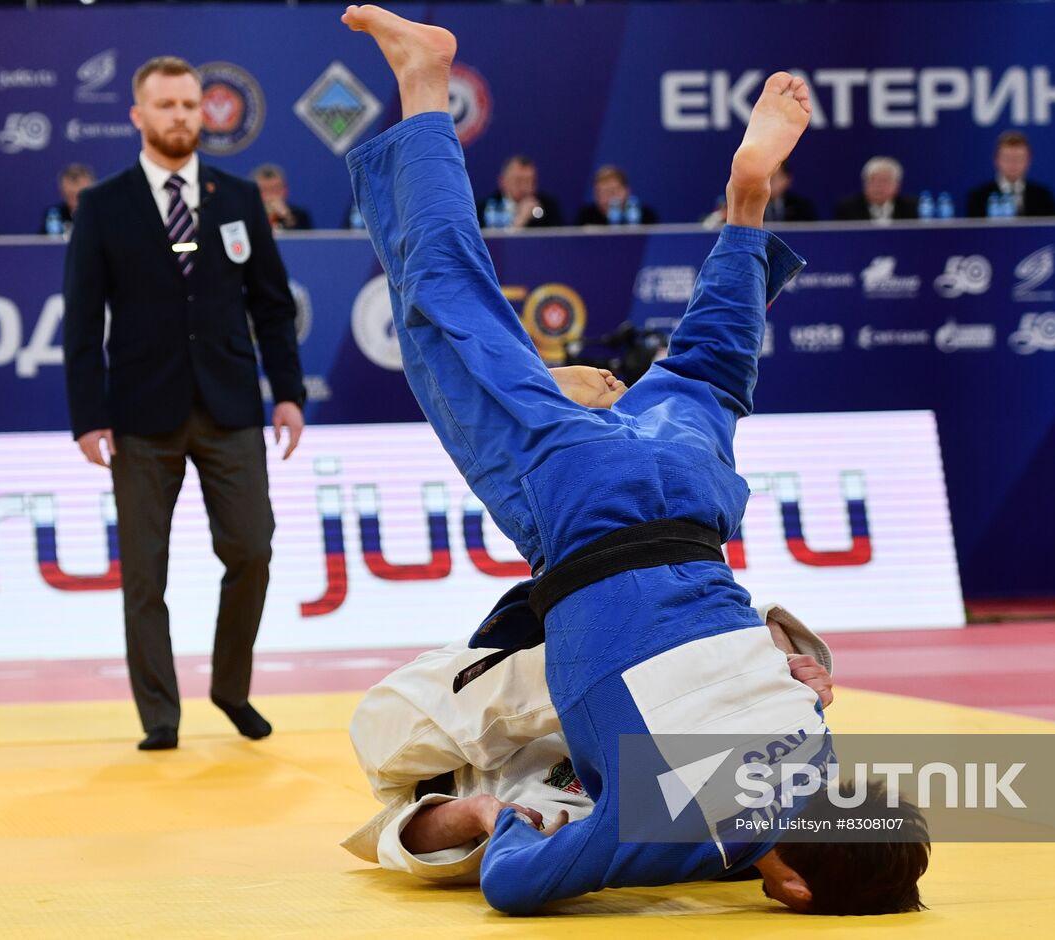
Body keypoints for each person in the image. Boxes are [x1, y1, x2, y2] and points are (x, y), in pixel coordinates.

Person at [340, 5, 927, 914]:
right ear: (798, 890)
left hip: (695, 511)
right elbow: (513, 886)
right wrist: (519, 828)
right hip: (583, 511)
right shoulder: (664, 831)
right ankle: (425, 82)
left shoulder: (819, 760)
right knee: (451, 308)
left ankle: (747, 207)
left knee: (711, 372)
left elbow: (793, 706)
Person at [62, 56, 306, 751]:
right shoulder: (104, 206)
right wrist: (88, 415)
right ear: (139, 117)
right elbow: (82, 321)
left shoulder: (238, 197)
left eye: (191, 105)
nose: (180, 117)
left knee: (252, 549)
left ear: (205, 113)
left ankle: (230, 686)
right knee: (144, 572)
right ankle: (160, 715)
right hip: (140, 411)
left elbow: (272, 305)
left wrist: (287, 393)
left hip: (231, 403)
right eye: (166, 105)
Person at [342, 598, 836, 885]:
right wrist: (787, 675)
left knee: (613, 675)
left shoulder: (661, 854)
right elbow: (755, 624)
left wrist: (480, 815)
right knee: (656, 663)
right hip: (512, 687)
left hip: (402, 742)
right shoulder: (787, 768)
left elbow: (406, 834)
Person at [964, 131, 1055, 218]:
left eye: (1019, 158)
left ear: (1028, 160)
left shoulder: (1042, 196)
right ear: (996, 160)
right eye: (1007, 158)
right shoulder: (979, 197)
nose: (1013, 164)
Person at [477, 154, 563, 229]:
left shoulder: (548, 207)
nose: (525, 187)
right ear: (502, 181)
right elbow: (494, 244)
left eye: (530, 181)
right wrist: (520, 219)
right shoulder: (486, 208)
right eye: (518, 181)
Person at [833, 157, 918, 222]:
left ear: (897, 185)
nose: (878, 186)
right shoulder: (847, 208)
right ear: (864, 183)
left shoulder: (912, 207)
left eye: (885, 181)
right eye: (873, 180)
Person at [574, 165, 658, 225]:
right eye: (602, 193)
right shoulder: (586, 217)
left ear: (627, 191)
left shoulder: (645, 216)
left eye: (612, 192)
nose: (608, 199)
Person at [250, 163, 314, 231]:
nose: (271, 195)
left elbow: (306, 240)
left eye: (275, 189)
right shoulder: (246, 213)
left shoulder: (299, 214)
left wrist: (287, 217)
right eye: (265, 190)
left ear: (285, 190)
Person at [39, 163, 95, 235]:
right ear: (62, 190)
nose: (75, 196)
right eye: (70, 194)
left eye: (79, 194)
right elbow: (43, 243)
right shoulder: (54, 214)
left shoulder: (101, 214)